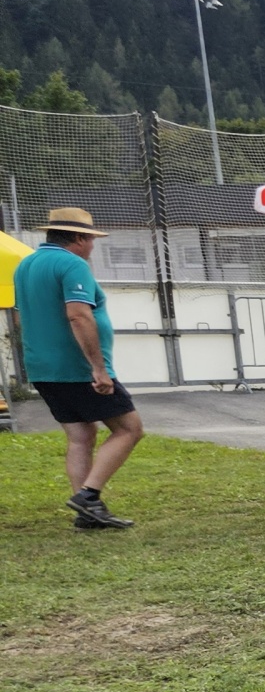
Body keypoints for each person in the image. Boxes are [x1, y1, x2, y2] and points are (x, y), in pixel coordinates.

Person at [15, 207, 144, 530]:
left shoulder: (26, 265)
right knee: (129, 429)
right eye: (91, 239)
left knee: (80, 436)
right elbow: (78, 315)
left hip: (43, 366)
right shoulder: (72, 264)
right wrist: (98, 368)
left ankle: (87, 514)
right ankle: (88, 496)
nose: (92, 247)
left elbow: (20, 315)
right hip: (77, 367)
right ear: (78, 237)